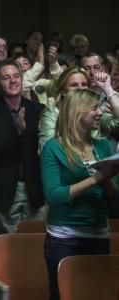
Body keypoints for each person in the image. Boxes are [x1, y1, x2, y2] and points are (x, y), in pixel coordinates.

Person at [41, 88, 119, 300]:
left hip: (99, 234)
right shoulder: (53, 147)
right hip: (65, 238)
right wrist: (96, 178)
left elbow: (113, 199)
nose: (100, 113)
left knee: (98, 295)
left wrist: (108, 178)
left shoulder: (103, 146)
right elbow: (54, 196)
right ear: (77, 112)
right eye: (94, 108)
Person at [0, 60, 45, 232]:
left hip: (34, 189)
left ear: (22, 80)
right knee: (8, 246)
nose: (13, 81)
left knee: (35, 243)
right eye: (6, 78)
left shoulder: (38, 110)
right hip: (4, 191)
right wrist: (17, 132)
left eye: (16, 76)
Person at [38, 67, 90, 152]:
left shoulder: (94, 111)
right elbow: (45, 150)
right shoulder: (52, 113)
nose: (80, 89)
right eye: (74, 85)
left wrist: (108, 90)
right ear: (63, 91)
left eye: (84, 84)